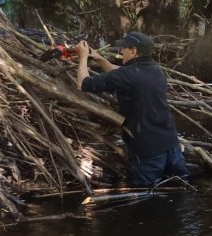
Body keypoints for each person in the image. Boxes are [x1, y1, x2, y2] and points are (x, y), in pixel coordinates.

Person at [75, 32, 188, 187]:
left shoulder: (126, 75)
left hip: (148, 152)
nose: (121, 52)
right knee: (180, 190)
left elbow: (83, 84)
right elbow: (119, 72)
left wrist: (82, 58)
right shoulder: (156, 70)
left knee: (147, 200)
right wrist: (100, 59)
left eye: (124, 48)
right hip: (172, 146)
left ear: (134, 51)